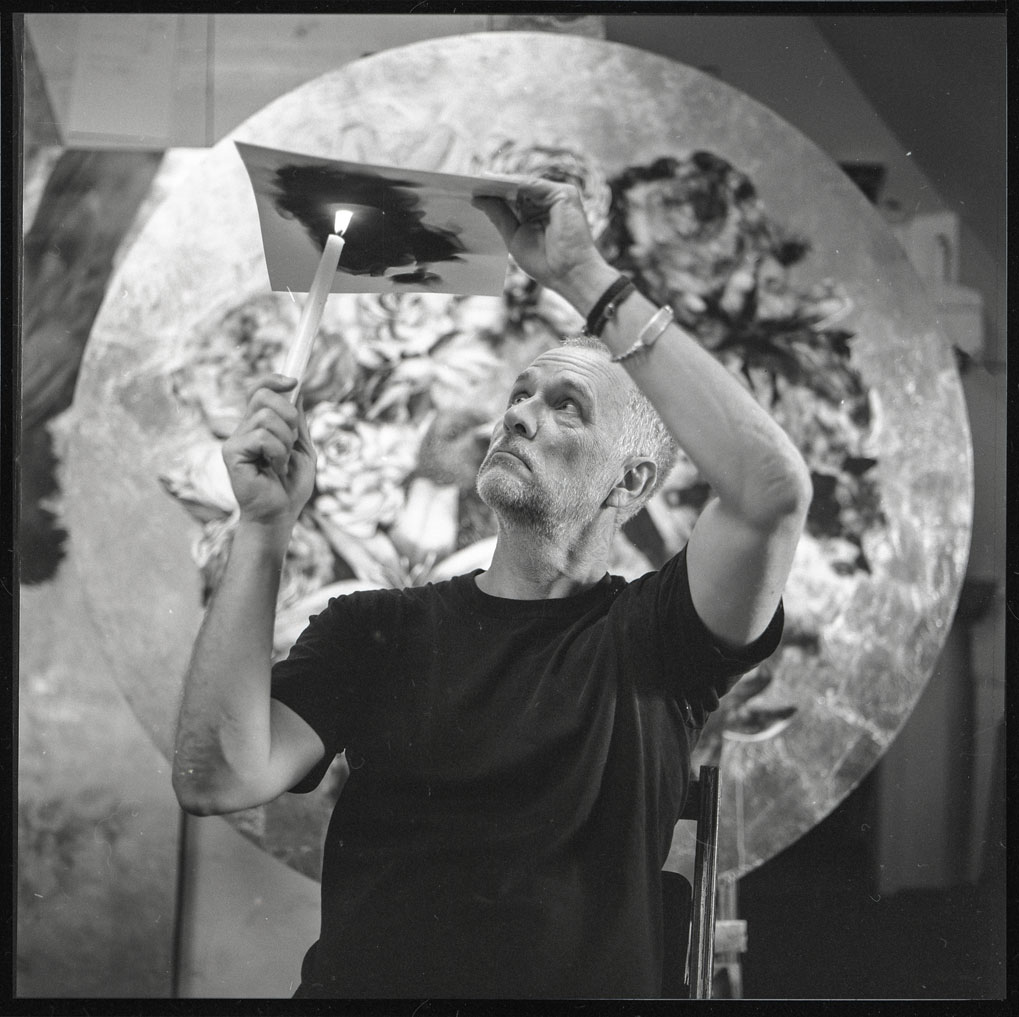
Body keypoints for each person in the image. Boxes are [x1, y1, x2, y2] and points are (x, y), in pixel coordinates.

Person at [172, 177, 812, 998]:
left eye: (566, 406)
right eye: (518, 395)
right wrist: (264, 528)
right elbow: (215, 778)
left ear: (630, 482)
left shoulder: (655, 636)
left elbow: (771, 493)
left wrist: (581, 274)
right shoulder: (375, 628)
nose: (517, 415)